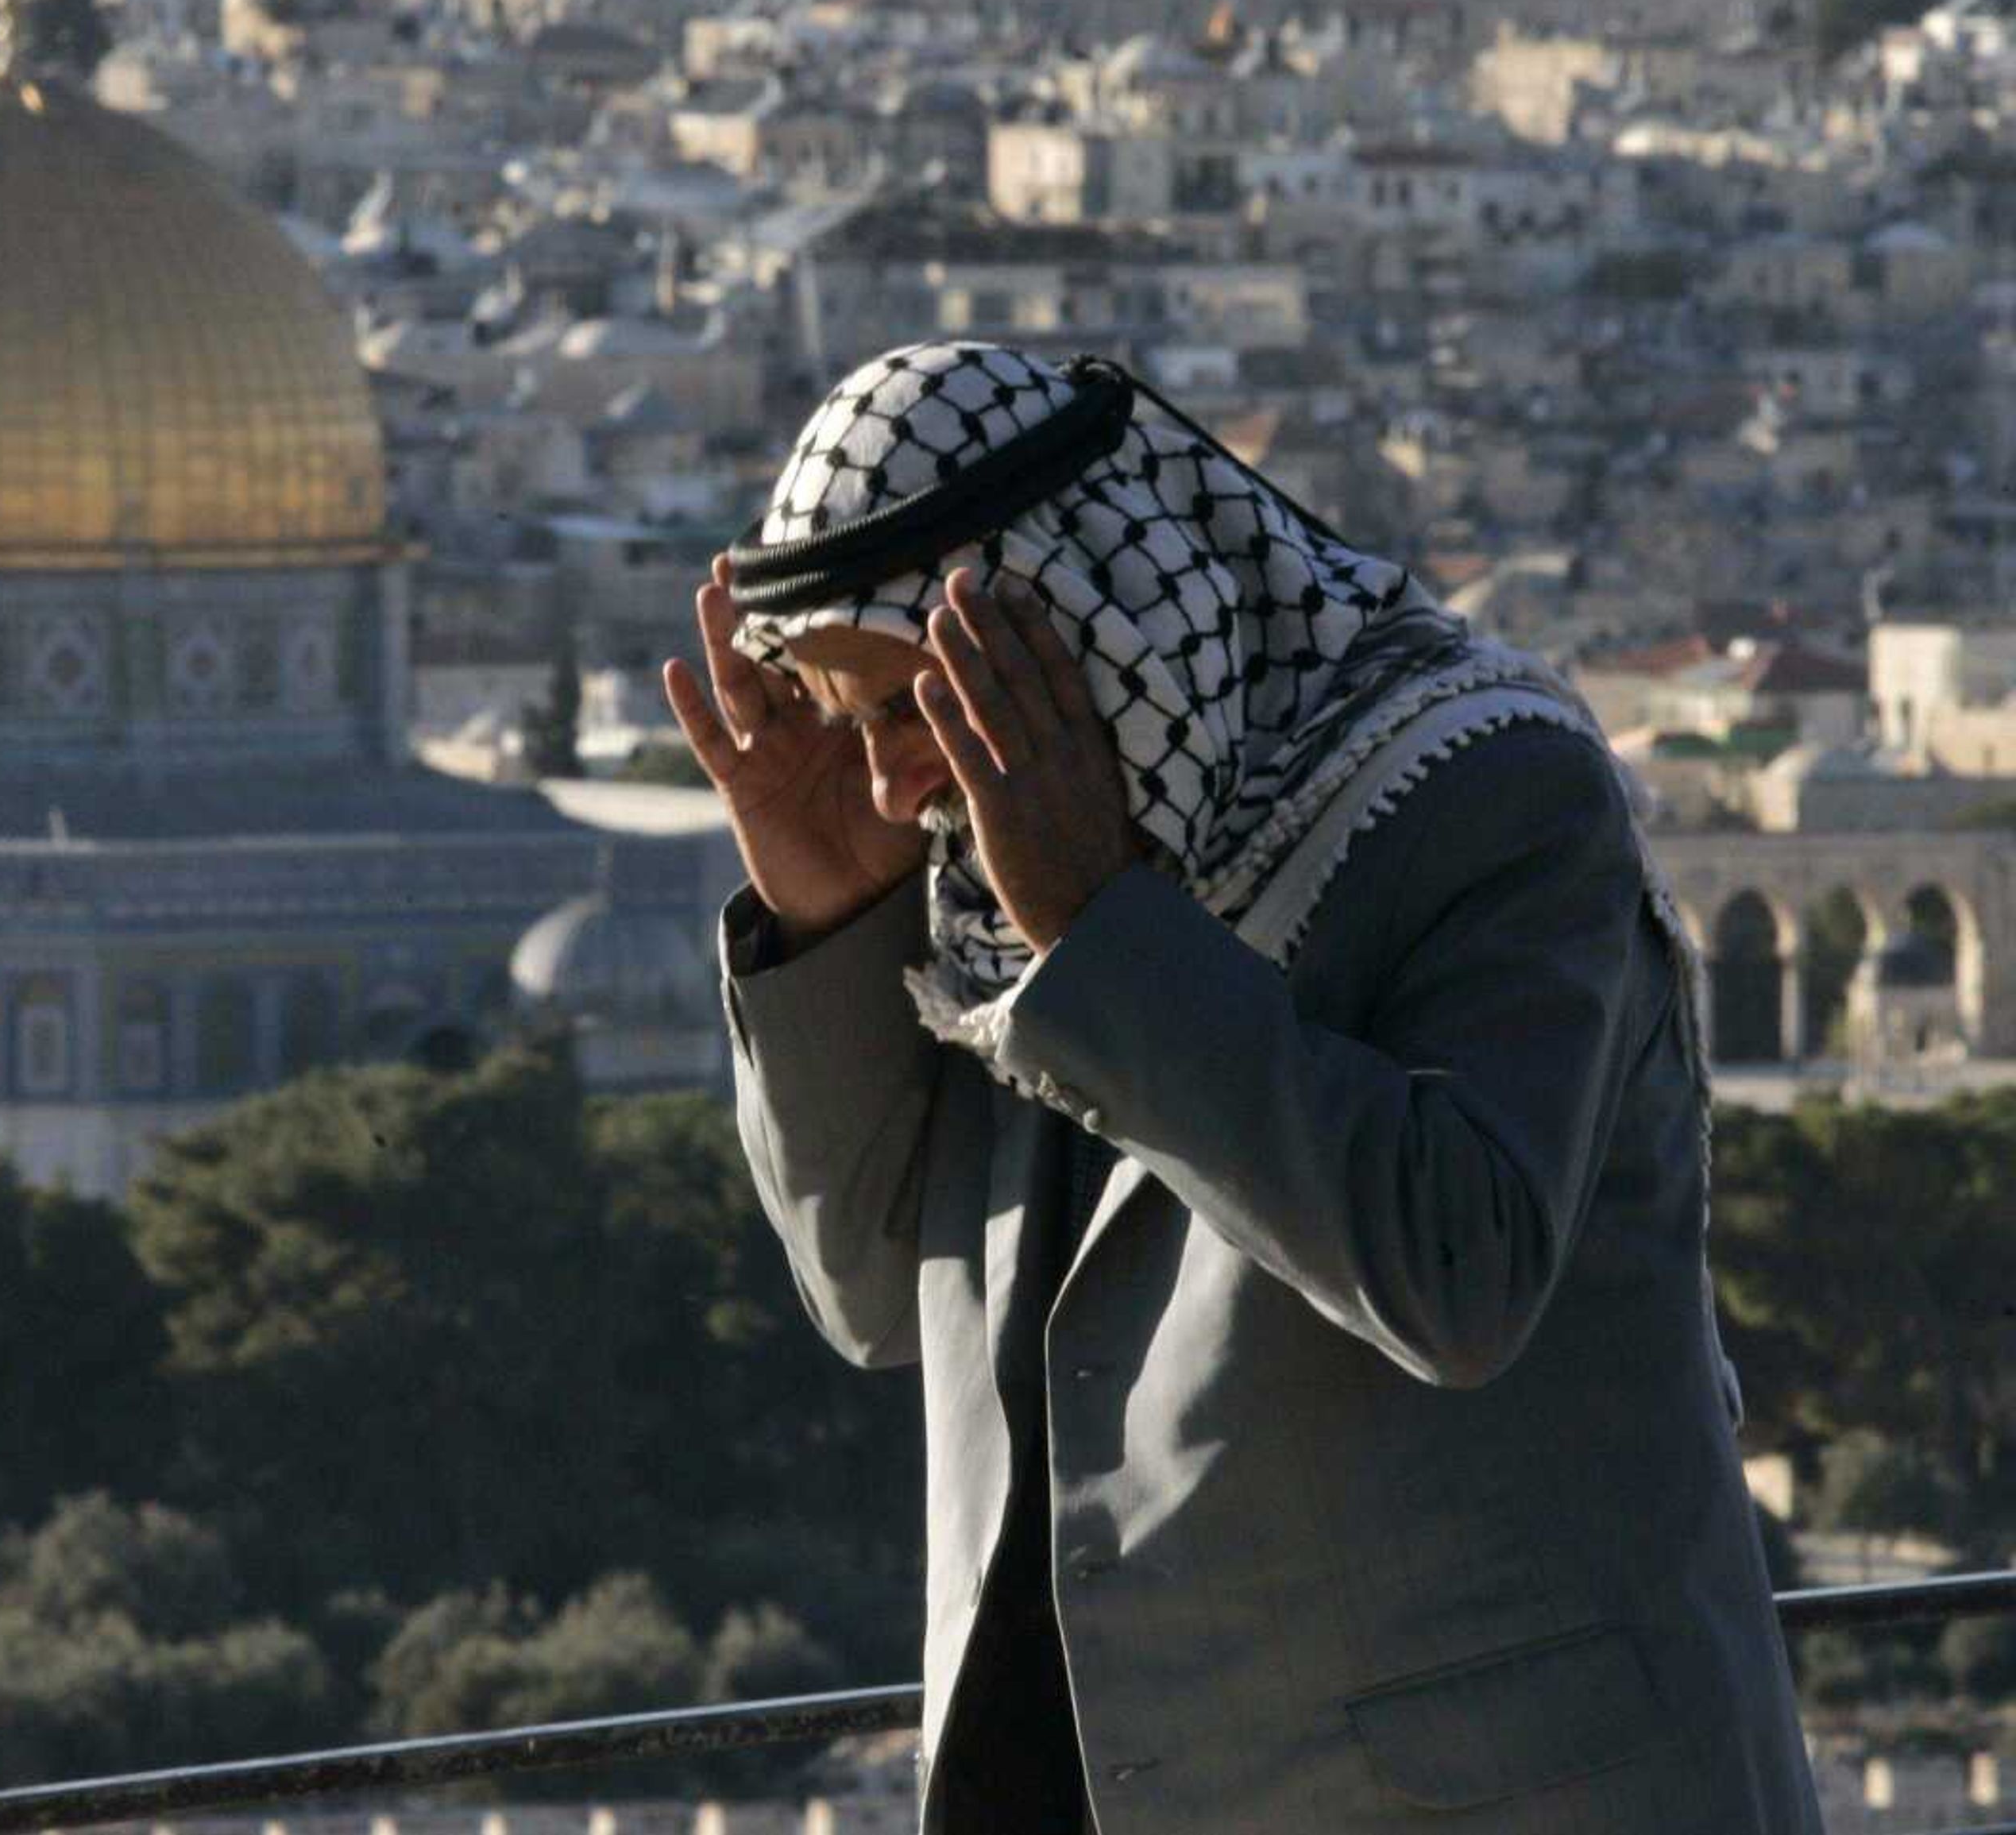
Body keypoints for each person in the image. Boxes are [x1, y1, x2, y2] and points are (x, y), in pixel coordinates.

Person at [660, 342, 1822, 1834]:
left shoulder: (1486, 791)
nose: (889, 786)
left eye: (912, 713)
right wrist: (821, 928)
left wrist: (1105, 933)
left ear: (1073, 628)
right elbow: (881, 1292)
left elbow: (1456, 1272)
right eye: (849, 716)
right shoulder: (977, 898)